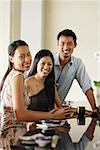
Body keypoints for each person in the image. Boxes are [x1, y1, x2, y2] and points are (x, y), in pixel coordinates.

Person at [0, 40, 71, 149]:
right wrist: (52, 116)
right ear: (11, 59)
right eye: (22, 56)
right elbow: (20, 114)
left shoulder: (14, 75)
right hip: (12, 138)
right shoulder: (18, 77)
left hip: (16, 135)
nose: (27, 59)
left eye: (28, 54)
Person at [53, 29, 96, 110]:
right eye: (62, 44)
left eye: (69, 44)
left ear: (75, 45)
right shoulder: (48, 59)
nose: (65, 48)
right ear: (57, 44)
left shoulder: (77, 63)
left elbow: (86, 87)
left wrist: (94, 109)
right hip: (41, 107)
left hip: (58, 110)